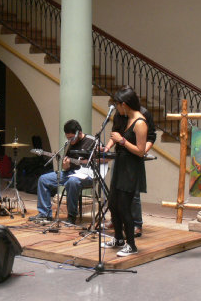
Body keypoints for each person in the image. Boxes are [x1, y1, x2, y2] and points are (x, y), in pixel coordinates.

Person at [102, 86, 148, 257]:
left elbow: (141, 151)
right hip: (121, 165)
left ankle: (132, 245)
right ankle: (119, 238)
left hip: (131, 169)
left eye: (118, 105)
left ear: (124, 104)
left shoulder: (140, 123)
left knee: (124, 207)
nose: (117, 108)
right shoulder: (126, 119)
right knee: (113, 204)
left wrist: (122, 141)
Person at [29, 119, 97, 225]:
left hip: (88, 175)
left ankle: (71, 216)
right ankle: (45, 214)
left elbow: (105, 157)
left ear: (79, 133)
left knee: (72, 181)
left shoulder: (92, 141)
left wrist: (85, 161)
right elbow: (65, 167)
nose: (70, 140)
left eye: (72, 137)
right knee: (43, 179)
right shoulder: (68, 144)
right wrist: (65, 166)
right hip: (71, 173)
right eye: (68, 137)